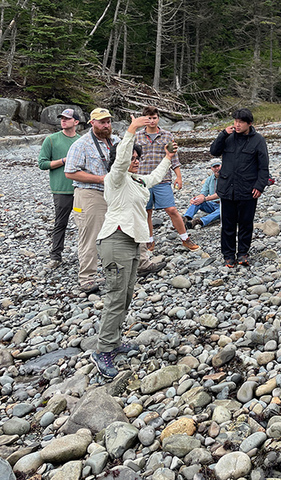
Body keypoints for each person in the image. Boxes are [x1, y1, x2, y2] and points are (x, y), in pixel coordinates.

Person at [90, 115, 176, 378]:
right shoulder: (115, 178)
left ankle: (114, 342)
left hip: (132, 242)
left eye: (138, 158)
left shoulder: (138, 181)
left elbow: (155, 177)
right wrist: (132, 130)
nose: (135, 161)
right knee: (116, 297)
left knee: (126, 295)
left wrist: (168, 158)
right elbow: (122, 158)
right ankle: (102, 350)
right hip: (115, 240)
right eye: (132, 158)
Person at [65, 107, 121, 293]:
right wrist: (100, 179)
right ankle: (87, 278)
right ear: (92, 123)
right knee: (90, 236)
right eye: (102, 122)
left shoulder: (116, 141)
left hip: (114, 194)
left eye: (108, 121)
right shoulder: (81, 144)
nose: (106, 125)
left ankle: (121, 269)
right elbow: (70, 172)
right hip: (90, 194)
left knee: (118, 233)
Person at [210, 109, 269, 268]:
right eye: (235, 121)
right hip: (227, 188)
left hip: (248, 189)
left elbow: (264, 168)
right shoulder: (227, 137)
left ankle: (243, 253)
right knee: (227, 225)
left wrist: (260, 186)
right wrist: (223, 134)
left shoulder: (258, 140)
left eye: (240, 122)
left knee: (245, 223)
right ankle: (228, 255)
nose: (237, 124)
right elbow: (213, 151)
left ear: (249, 123)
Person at [135, 106, 199, 251]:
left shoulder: (167, 136)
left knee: (171, 209)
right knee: (146, 211)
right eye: (149, 118)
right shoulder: (137, 136)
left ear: (158, 118)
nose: (152, 121)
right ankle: (149, 240)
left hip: (162, 179)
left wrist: (179, 177)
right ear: (144, 119)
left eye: (154, 118)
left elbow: (174, 158)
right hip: (142, 179)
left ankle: (185, 238)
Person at [38, 108, 81, 270]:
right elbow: (42, 164)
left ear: (76, 122)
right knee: (60, 223)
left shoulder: (81, 140)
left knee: (84, 224)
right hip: (62, 191)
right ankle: (55, 256)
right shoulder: (51, 140)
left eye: (67, 118)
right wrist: (63, 160)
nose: (63, 121)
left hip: (80, 190)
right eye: (62, 118)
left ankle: (85, 254)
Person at [183, 160, 221, 228]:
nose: (216, 168)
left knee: (221, 211)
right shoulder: (209, 179)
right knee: (197, 200)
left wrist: (204, 199)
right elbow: (203, 193)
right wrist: (196, 199)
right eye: (214, 167)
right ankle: (186, 218)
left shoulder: (227, 178)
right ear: (211, 168)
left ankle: (200, 221)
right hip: (212, 204)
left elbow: (220, 194)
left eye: (218, 166)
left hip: (224, 204)